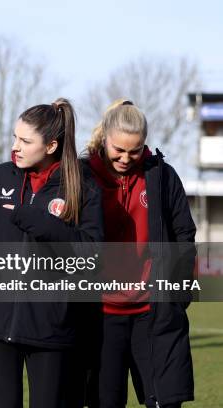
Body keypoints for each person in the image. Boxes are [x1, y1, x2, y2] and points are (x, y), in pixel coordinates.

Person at [0, 98, 104, 407]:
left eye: (25, 140)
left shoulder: (82, 186)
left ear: (50, 146)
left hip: (52, 328)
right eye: (15, 137)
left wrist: (44, 224)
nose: (15, 146)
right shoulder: (0, 176)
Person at [85, 100, 195, 407]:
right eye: (118, 149)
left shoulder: (162, 176)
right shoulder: (82, 177)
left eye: (135, 150)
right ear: (104, 138)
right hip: (100, 317)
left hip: (153, 315)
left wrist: (178, 291)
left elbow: (184, 234)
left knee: (164, 400)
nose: (125, 158)